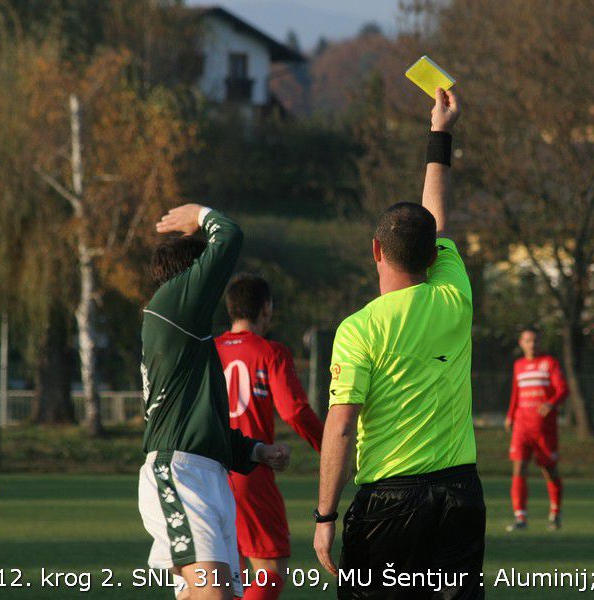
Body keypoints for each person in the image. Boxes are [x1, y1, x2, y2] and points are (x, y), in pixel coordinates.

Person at [314, 88, 485, 599]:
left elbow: (341, 426)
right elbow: (438, 219)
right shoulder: (456, 297)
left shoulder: (359, 329)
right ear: (435, 254)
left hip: (391, 501)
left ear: (375, 250)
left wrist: (325, 513)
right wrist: (441, 134)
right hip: (460, 494)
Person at [138, 204, 291, 600]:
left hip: (209, 476)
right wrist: (199, 213)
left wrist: (254, 450)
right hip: (181, 473)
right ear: (193, 275)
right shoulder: (172, 305)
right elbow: (230, 236)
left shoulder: (194, 338)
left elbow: (205, 426)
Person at [216, 274, 324, 599]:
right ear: (267, 309)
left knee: (225, 576)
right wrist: (329, 447)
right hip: (250, 471)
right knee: (269, 573)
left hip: (208, 471)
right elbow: (294, 411)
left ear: (231, 309)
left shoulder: (208, 351)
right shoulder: (270, 352)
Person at [504, 327, 568, 532]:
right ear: (521, 343)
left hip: (544, 428)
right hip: (522, 426)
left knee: (549, 470)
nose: (533, 344)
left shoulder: (549, 363)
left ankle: (555, 513)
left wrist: (551, 403)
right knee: (518, 468)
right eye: (528, 340)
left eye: (536, 341)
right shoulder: (519, 365)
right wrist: (510, 415)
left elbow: (562, 389)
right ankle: (520, 517)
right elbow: (516, 392)